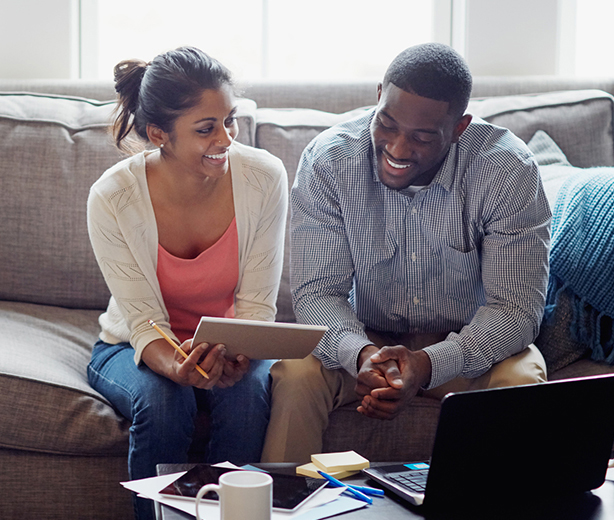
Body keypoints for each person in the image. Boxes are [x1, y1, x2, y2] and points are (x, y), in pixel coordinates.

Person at [262, 43, 551, 463]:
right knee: (295, 373)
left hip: (464, 348)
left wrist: (428, 364)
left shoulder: (507, 171)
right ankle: (285, 506)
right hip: (367, 341)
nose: (397, 149)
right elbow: (317, 295)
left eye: (421, 137)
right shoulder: (329, 160)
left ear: (459, 127)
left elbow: (515, 310)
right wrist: (361, 355)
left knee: (523, 378)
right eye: (388, 124)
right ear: (379, 95)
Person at [86, 46, 288, 519]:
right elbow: (143, 323)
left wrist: (239, 354)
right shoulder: (113, 197)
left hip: (232, 342)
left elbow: (257, 306)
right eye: (206, 129)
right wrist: (177, 368)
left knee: (247, 395)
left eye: (229, 121)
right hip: (133, 346)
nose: (226, 139)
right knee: (164, 400)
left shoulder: (264, 177)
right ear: (160, 134)